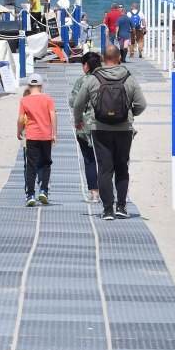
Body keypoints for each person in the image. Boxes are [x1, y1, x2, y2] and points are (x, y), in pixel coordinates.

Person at [72, 45, 147, 221]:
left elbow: (78, 104)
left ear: (103, 59)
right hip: (123, 129)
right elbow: (142, 104)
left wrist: (78, 120)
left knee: (105, 169)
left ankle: (107, 210)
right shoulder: (129, 78)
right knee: (122, 166)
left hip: (100, 128)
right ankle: (121, 206)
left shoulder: (93, 79)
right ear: (119, 57)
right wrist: (130, 114)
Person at [17, 74, 57, 207]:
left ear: (29, 86)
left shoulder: (25, 101)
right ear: (41, 86)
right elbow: (53, 116)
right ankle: (44, 190)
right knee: (46, 164)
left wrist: (18, 132)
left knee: (31, 165)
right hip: (45, 136)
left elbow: (21, 119)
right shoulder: (48, 99)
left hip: (32, 136)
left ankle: (30, 195)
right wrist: (54, 133)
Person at [70, 52, 102, 203]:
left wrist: (78, 118)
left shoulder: (82, 81)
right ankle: (109, 192)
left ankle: (94, 194)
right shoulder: (106, 78)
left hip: (84, 125)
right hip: (106, 124)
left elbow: (73, 101)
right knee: (106, 160)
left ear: (86, 66)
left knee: (89, 160)